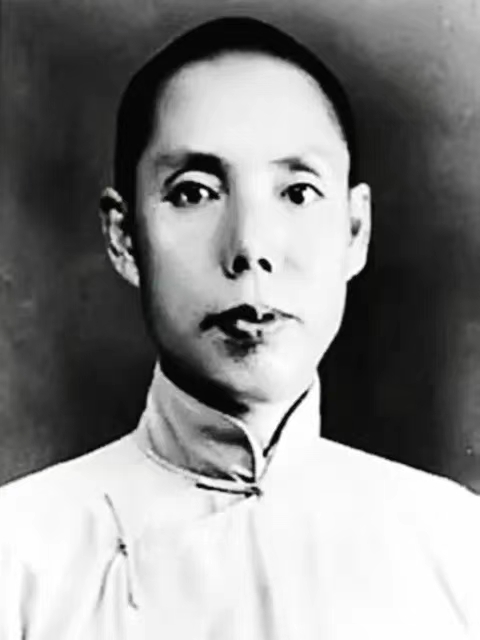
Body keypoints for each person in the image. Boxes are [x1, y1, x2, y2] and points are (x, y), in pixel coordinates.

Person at [0, 16, 479, 640]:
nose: (250, 248)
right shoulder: (18, 557)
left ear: (354, 229)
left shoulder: (457, 547)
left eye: (298, 193)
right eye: (194, 193)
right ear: (124, 236)